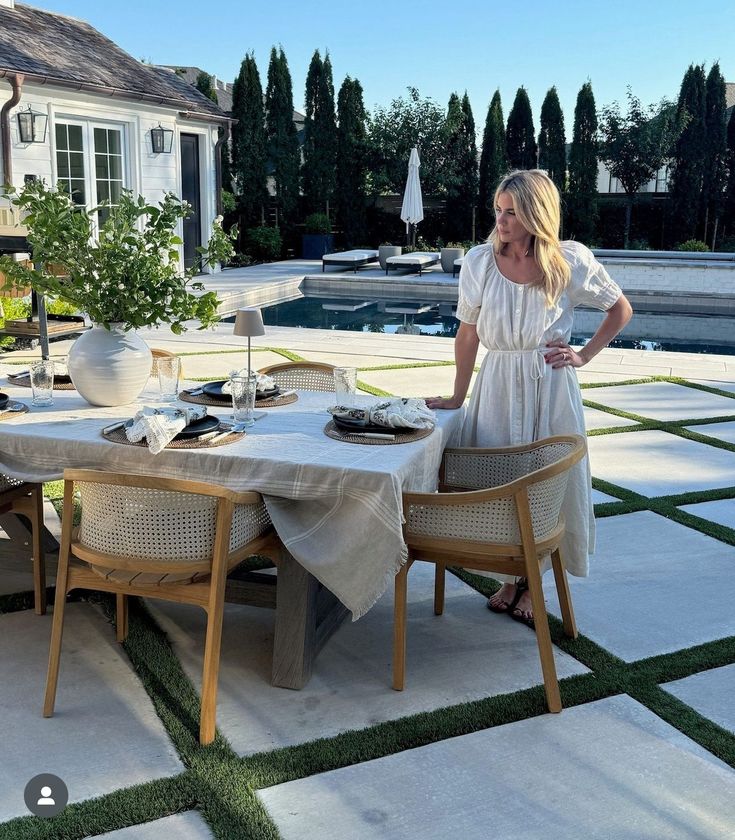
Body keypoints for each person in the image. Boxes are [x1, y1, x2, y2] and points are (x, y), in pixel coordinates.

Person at [426, 169, 632, 625]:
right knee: (498, 482)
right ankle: (507, 575)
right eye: (498, 210)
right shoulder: (480, 262)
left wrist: (583, 356)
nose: (501, 220)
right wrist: (459, 396)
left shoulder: (569, 261)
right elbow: (467, 333)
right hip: (497, 382)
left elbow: (620, 309)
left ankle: (535, 578)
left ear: (536, 214)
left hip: (550, 386)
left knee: (543, 484)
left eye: (512, 212)